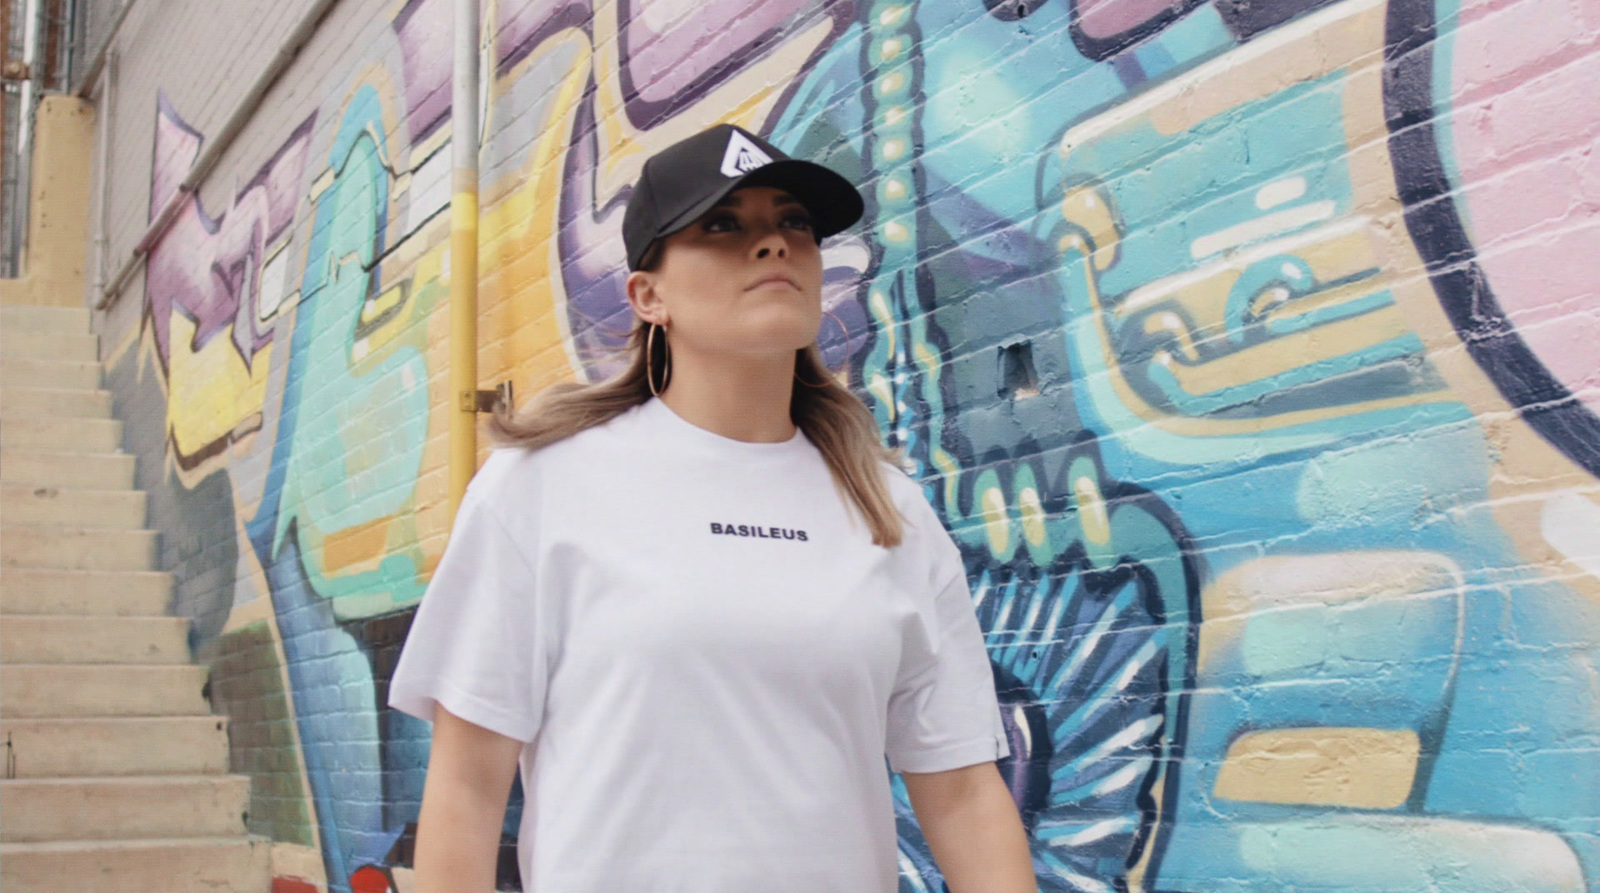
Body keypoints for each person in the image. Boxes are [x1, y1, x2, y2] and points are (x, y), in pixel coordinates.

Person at [388, 123, 1036, 893]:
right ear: (647, 294)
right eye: (722, 224)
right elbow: (466, 790)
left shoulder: (891, 511)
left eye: (793, 221)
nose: (773, 244)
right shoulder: (541, 486)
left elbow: (962, 793)